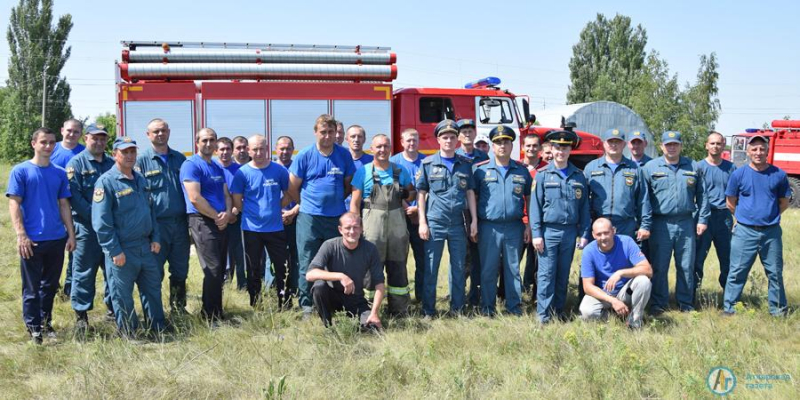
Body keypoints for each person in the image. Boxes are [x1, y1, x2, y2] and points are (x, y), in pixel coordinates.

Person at [7, 127, 76, 343]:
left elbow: (64, 204)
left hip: (56, 238)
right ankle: (33, 328)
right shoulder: (21, 171)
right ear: (34, 144)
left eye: (52, 142)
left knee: (50, 286)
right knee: (32, 288)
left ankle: (46, 323)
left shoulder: (58, 172)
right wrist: (21, 235)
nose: (48, 146)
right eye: (44, 142)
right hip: (32, 240)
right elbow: (14, 204)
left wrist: (71, 235)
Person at [93, 137, 165, 337]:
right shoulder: (106, 182)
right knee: (122, 295)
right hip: (122, 249)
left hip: (145, 246)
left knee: (153, 289)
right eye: (124, 152)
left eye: (133, 152)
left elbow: (151, 212)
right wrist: (114, 250)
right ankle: (128, 331)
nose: (130, 156)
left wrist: (156, 238)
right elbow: (101, 223)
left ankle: (157, 327)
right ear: (115, 154)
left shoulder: (141, 179)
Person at [288, 114, 356, 317]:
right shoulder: (305, 155)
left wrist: (333, 202)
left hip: (335, 218)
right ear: (315, 132)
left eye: (331, 132)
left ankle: (334, 301)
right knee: (307, 260)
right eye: (323, 132)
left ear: (336, 133)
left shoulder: (343, 155)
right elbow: (292, 186)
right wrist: (305, 204)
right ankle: (307, 305)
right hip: (310, 218)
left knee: (337, 261)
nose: (327, 136)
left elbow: (347, 185)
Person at [642, 131, 709, 314]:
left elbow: (703, 196)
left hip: (686, 222)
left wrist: (702, 220)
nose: (671, 147)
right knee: (660, 265)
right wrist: (646, 224)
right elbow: (644, 199)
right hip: (660, 223)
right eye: (668, 144)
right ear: (661, 146)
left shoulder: (693, 166)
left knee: (686, 265)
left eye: (675, 144)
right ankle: (658, 303)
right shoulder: (650, 168)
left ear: (680, 146)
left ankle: (685, 303)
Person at [723, 135, 790, 317]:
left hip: (771, 233)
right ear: (748, 152)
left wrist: (769, 217)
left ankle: (778, 311)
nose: (758, 153)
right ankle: (730, 309)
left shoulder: (779, 175)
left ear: (768, 151)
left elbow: (784, 202)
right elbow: (730, 202)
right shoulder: (738, 174)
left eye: (762, 149)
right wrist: (745, 218)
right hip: (744, 232)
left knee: (775, 273)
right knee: (737, 272)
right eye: (754, 149)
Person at [416, 119, 478, 317]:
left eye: (452, 137)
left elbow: (470, 193)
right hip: (435, 222)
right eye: (445, 137)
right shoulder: (427, 164)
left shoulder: (465, 165)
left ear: (458, 140)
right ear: (438, 140)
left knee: (458, 267)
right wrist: (423, 222)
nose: (449, 140)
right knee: (431, 268)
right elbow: (421, 194)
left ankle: (457, 308)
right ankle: (428, 310)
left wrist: (474, 221)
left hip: (458, 222)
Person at [529, 129, 591, 324]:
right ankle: (543, 315)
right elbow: (535, 207)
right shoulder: (542, 175)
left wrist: (584, 233)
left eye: (565, 148)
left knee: (563, 273)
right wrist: (537, 234)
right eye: (557, 147)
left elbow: (584, 208)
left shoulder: (578, 176)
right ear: (551, 149)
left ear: (570, 150)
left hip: (570, 232)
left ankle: (558, 310)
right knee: (546, 274)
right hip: (549, 232)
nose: (561, 151)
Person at [351, 134, 415, 315]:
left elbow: (412, 192)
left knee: (398, 267)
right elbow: (355, 203)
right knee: (371, 269)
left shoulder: (400, 171)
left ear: (391, 149)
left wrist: (406, 195)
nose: (382, 150)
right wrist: (356, 228)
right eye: (378, 146)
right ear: (371, 149)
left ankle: (400, 310)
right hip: (372, 228)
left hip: (397, 229)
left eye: (386, 146)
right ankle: (368, 309)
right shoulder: (363, 172)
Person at [473, 126, 532, 315]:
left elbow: (529, 199)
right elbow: (472, 198)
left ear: (512, 145)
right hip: (489, 226)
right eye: (498, 142)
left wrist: (528, 225)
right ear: (492, 146)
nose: (502, 146)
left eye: (506, 142)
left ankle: (514, 307)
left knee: (513, 269)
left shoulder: (522, 171)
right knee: (488, 269)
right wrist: (474, 222)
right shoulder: (480, 171)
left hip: (514, 226)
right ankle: (488, 307)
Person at [231, 135, 292, 309]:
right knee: (253, 268)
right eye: (255, 149)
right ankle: (256, 304)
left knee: (282, 267)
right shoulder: (242, 173)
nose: (258, 153)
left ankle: (285, 303)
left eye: (262, 149)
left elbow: (289, 194)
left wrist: (275, 207)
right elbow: (237, 200)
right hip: (251, 229)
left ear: (268, 149)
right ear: (249, 150)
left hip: (275, 228)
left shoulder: (279, 171)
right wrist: (252, 214)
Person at [135, 118, 190, 313]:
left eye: (163, 130)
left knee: (180, 269)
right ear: (148, 135)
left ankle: (178, 307)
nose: (160, 134)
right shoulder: (141, 161)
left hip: (180, 225)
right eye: (155, 131)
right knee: (153, 271)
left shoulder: (180, 159)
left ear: (169, 132)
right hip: (155, 226)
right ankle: (155, 312)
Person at [66, 124, 115, 336]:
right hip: (86, 229)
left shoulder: (113, 163)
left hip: (111, 229)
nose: (99, 142)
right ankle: (81, 316)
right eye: (95, 138)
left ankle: (114, 311)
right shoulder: (76, 164)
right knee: (84, 271)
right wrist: (97, 219)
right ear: (86, 139)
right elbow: (74, 197)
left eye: (103, 138)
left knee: (113, 271)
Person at [181, 128, 233, 322]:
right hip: (202, 220)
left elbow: (226, 194)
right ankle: (210, 316)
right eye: (204, 140)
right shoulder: (191, 165)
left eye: (212, 140)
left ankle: (216, 312)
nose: (209, 144)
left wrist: (227, 214)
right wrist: (216, 217)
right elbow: (194, 198)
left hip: (220, 221)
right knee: (212, 268)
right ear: (197, 143)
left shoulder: (217, 167)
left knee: (219, 270)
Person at [306, 212, 384, 329]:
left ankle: (359, 322)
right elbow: (310, 274)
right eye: (347, 228)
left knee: (373, 328)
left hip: (356, 300)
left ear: (361, 229)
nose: (352, 232)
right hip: (333, 297)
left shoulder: (370, 249)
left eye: (356, 227)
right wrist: (341, 276)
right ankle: (328, 326)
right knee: (319, 286)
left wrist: (374, 313)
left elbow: (380, 284)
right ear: (340, 229)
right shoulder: (330, 245)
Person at [579, 218, 652, 329]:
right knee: (586, 312)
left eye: (606, 233)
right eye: (599, 234)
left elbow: (648, 270)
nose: (603, 237)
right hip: (603, 295)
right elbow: (587, 286)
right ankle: (617, 317)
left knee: (644, 281)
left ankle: (635, 322)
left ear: (613, 231)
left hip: (624, 292)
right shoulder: (589, 251)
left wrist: (620, 273)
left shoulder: (626, 242)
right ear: (593, 235)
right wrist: (612, 301)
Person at [583, 129, 651, 239]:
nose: (614, 145)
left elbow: (643, 199)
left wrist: (645, 226)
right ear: (604, 144)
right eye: (610, 142)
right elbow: (583, 200)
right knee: (600, 256)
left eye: (617, 142)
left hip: (625, 226)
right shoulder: (591, 167)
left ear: (624, 144)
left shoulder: (634, 168)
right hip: (599, 225)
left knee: (623, 256)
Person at [694, 132, 736, 293]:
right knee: (697, 259)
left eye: (719, 143)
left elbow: (736, 194)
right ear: (706, 145)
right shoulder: (697, 167)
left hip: (724, 217)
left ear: (723, 145)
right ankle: (693, 295)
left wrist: (736, 216)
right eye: (712, 143)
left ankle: (729, 297)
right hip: (702, 218)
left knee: (727, 259)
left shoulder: (730, 168)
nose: (715, 146)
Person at [389, 129, 426, 302]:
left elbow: (430, 190)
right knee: (399, 260)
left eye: (415, 140)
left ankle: (421, 297)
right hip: (399, 218)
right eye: (409, 140)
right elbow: (392, 191)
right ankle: (401, 299)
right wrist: (406, 208)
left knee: (423, 260)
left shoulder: (427, 162)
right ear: (402, 142)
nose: (412, 143)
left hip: (421, 218)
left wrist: (418, 209)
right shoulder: (393, 162)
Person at [454, 119, 488, 307]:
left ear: (475, 134)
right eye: (463, 131)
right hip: (459, 213)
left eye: (470, 130)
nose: (467, 133)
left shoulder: (483, 157)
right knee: (459, 259)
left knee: (477, 258)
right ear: (458, 136)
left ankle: (474, 297)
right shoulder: (453, 155)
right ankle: (456, 298)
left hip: (479, 213)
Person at [52, 119, 84, 298]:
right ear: (62, 130)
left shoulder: (84, 152)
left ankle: (70, 288)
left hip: (75, 209)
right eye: (69, 131)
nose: (72, 134)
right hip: (53, 207)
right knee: (54, 249)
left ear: (81, 134)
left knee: (75, 249)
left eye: (76, 132)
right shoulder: (51, 149)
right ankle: (52, 285)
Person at [215, 137, 246, 290]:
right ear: (216, 151)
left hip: (236, 217)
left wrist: (234, 211)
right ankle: (222, 285)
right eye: (221, 149)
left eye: (228, 149)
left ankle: (242, 286)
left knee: (239, 253)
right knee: (219, 252)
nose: (225, 152)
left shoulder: (240, 170)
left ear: (232, 150)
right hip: (217, 218)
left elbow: (245, 194)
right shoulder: (212, 168)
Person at [521, 134, 548, 294]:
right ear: (523, 147)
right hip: (519, 222)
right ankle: (506, 294)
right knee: (511, 262)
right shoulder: (516, 167)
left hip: (539, 222)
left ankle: (535, 295)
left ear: (540, 148)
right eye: (528, 146)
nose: (531, 149)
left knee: (537, 262)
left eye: (535, 146)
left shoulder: (547, 169)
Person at [275, 135, 300, 303]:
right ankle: (275, 290)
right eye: (281, 148)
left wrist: (292, 213)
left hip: (297, 218)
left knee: (296, 256)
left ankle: (295, 288)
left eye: (288, 148)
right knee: (275, 258)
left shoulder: (298, 168)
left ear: (293, 150)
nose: (285, 152)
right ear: (276, 150)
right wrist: (279, 213)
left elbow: (305, 195)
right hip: (274, 221)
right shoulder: (269, 168)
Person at [627, 130, 653, 261]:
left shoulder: (653, 165)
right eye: (633, 143)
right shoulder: (625, 165)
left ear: (645, 144)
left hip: (648, 218)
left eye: (639, 143)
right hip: (630, 218)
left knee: (645, 257)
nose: (636, 146)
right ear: (628, 144)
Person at [344, 125, 373, 210]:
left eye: (359, 136)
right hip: (344, 209)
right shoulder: (340, 161)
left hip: (368, 209)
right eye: (353, 136)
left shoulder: (373, 161)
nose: (356, 140)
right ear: (347, 139)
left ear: (364, 139)